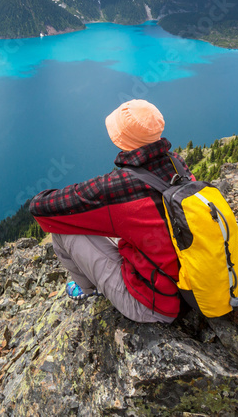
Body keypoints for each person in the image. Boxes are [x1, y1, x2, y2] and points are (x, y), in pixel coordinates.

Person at [28, 99, 194, 323]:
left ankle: (88, 290)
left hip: (154, 304)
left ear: (121, 138)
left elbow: (40, 207)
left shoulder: (121, 186)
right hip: (191, 283)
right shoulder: (177, 164)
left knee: (61, 229)